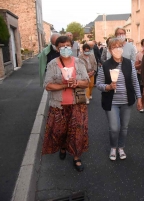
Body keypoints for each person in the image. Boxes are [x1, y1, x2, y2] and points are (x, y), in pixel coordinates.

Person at [42, 36, 90, 172]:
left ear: (72, 46)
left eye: (68, 46)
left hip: (77, 104)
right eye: (62, 46)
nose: (65, 48)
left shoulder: (79, 62)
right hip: (59, 105)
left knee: (77, 132)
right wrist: (63, 85)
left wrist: (77, 83)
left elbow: (86, 82)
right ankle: (63, 147)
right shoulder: (52, 64)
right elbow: (48, 86)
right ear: (57, 48)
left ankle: (76, 156)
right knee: (61, 131)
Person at [96, 38, 142, 161]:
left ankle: (121, 147)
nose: (117, 48)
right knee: (114, 128)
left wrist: (139, 98)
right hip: (112, 102)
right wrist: (108, 87)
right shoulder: (105, 66)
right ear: (110, 50)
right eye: (114, 46)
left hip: (127, 101)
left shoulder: (129, 63)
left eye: (120, 46)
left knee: (124, 127)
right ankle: (113, 147)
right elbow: (98, 84)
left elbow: (135, 82)